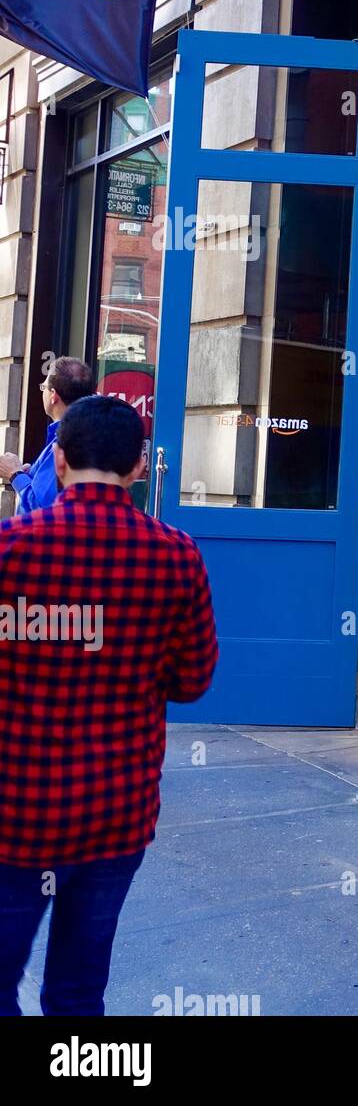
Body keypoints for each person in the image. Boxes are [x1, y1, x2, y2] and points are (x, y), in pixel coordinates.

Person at [0, 395, 218, 1016]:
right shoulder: (177, 555)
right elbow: (194, 680)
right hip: (115, 812)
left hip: (16, 810)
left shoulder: (9, 547)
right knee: (77, 988)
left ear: (60, 462)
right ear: (140, 466)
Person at [0, 356, 96, 512]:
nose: (42, 392)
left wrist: (14, 474)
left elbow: (42, 510)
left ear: (53, 395)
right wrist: (33, 475)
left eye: (43, 388)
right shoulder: (86, 432)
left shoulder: (67, 441)